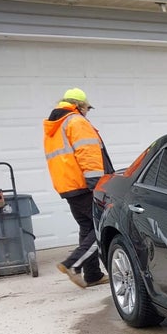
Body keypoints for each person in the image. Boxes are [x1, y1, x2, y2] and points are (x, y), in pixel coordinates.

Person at [43, 87, 114, 288]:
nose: (87, 112)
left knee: (87, 226)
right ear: (79, 106)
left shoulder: (54, 126)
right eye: (87, 108)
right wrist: (97, 185)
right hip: (85, 185)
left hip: (68, 186)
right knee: (100, 226)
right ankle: (73, 264)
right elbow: (88, 154)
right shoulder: (76, 121)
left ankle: (93, 275)